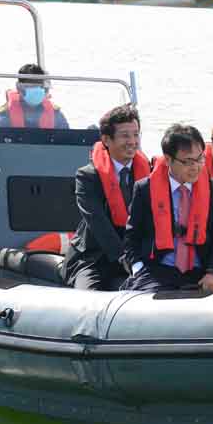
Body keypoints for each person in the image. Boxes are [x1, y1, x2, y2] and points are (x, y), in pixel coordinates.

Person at [121, 124, 213, 293]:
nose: (195, 167)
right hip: (156, 271)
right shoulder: (145, 189)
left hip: (202, 273)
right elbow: (132, 237)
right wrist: (138, 268)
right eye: (187, 161)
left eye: (199, 159)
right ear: (168, 159)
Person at [61, 105, 150, 290]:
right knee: (89, 298)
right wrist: (128, 261)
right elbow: (99, 224)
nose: (132, 141)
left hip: (135, 258)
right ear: (106, 140)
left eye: (136, 134)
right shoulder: (87, 177)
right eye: (125, 135)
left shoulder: (149, 174)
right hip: (93, 259)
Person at [0, 63, 69, 129]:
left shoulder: (56, 115)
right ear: (20, 88)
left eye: (40, 86)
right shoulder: (4, 116)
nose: (37, 90)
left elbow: (67, 140)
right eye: (31, 86)